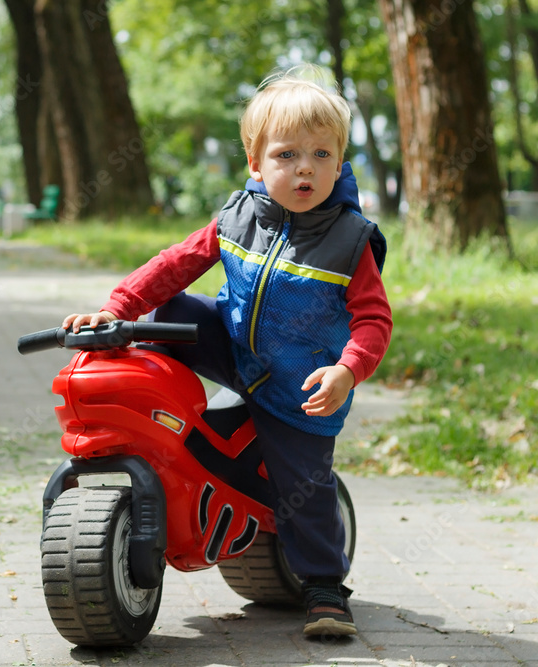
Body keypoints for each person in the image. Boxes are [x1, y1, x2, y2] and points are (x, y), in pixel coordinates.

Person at [62, 66, 392, 638]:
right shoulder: (237, 216)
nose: (304, 168)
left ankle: (324, 588)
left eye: (321, 154)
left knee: (303, 488)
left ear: (340, 164)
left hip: (299, 386)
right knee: (170, 311)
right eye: (287, 155)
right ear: (255, 162)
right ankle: (169, 414)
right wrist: (118, 309)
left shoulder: (350, 239)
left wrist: (346, 370)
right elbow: (174, 263)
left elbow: (373, 319)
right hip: (235, 348)